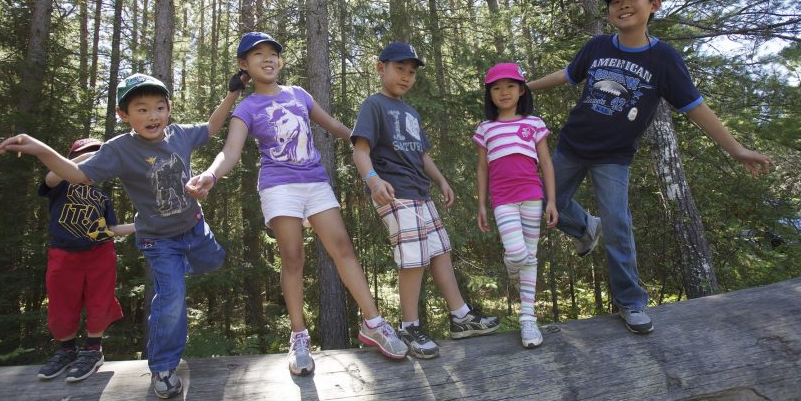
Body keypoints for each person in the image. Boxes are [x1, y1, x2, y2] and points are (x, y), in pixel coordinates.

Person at [527, 0, 773, 334]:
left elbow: (696, 108)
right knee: (540, 202)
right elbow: (566, 75)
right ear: (609, 11)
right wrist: (522, 90)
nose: (623, 6)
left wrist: (736, 150)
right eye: (616, 1)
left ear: (654, 5)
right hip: (572, 146)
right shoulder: (596, 47)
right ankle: (584, 226)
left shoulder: (664, 59)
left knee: (618, 226)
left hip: (614, 156)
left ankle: (630, 302)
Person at [0, 73, 243, 398]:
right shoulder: (119, 149)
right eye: (141, 109)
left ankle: (176, 271)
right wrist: (41, 150)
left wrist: (232, 95)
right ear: (123, 115)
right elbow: (77, 174)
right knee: (171, 299)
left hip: (196, 229)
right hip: (159, 239)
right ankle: (163, 368)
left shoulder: (180, 135)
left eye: (159, 107)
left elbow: (212, 127)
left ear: (169, 109)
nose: (152, 116)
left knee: (214, 260)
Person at [185, 31, 408, 376]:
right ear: (244, 65)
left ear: (281, 60)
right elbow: (229, 151)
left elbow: (331, 123)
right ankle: (299, 336)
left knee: (343, 248)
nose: (268, 58)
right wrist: (211, 176)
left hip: (315, 182)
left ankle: (374, 323)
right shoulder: (247, 107)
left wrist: (362, 139)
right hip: (278, 186)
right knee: (292, 257)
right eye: (257, 55)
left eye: (273, 53)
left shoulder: (299, 94)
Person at [352, 41, 500, 359]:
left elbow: (422, 154)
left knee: (440, 252)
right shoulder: (373, 105)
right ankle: (409, 325)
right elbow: (360, 150)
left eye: (411, 72)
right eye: (399, 69)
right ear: (381, 68)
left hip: (420, 193)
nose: (406, 77)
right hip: (394, 193)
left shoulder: (410, 112)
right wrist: (373, 180)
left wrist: (441, 180)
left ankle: (460, 316)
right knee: (413, 259)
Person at [36, 138, 134, 383]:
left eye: (98, 157)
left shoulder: (102, 197)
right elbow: (50, 177)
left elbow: (110, 228)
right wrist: (84, 161)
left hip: (99, 253)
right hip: (63, 254)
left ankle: (93, 350)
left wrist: (140, 225)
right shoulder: (60, 184)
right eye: (86, 155)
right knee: (61, 304)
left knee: (100, 301)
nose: (93, 160)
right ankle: (66, 350)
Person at [474, 63, 558, 349]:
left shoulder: (534, 124)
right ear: (490, 95)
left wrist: (552, 200)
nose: (503, 92)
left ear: (521, 90)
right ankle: (513, 265)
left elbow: (546, 163)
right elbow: (482, 169)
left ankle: (528, 319)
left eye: (510, 86)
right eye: (496, 88)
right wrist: (482, 205)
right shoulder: (486, 128)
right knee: (518, 253)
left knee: (530, 257)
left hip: (532, 195)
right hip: (502, 199)